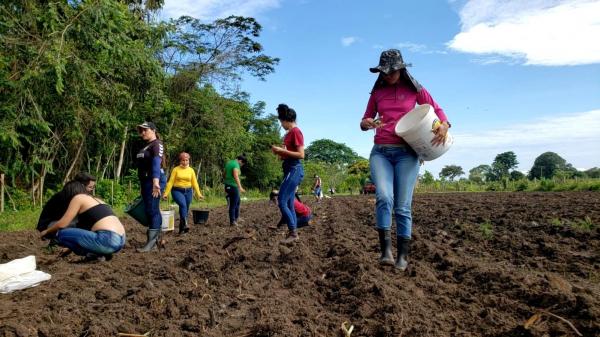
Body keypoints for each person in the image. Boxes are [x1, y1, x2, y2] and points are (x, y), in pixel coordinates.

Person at [360, 49, 450, 271]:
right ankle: (386, 251)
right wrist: (368, 123)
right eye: (384, 72)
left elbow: (436, 109)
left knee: (402, 206)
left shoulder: (413, 89)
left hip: (406, 153)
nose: (388, 75)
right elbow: (363, 121)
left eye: (392, 71)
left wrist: (445, 124)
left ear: (401, 69)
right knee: (383, 196)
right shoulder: (377, 92)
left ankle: (402, 255)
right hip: (380, 151)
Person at [39, 181, 126, 261]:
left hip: (107, 239)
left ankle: (96, 253)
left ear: (70, 192)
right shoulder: (98, 200)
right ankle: (100, 253)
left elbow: (62, 224)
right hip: (120, 241)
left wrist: (46, 232)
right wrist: (69, 249)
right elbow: (85, 233)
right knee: (74, 232)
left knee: (60, 233)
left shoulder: (78, 197)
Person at [271, 103, 305, 243]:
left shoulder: (296, 132)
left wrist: (282, 151)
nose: (281, 125)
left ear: (285, 120)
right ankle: (293, 233)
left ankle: (293, 232)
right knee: (290, 203)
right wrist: (280, 153)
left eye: (281, 122)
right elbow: (288, 154)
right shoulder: (288, 134)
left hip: (294, 169)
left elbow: (301, 154)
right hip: (289, 168)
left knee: (282, 201)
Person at [36, 172, 97, 237]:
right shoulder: (71, 195)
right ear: (81, 185)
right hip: (48, 226)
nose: (91, 190)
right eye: (90, 187)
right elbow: (65, 221)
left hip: (57, 223)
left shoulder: (72, 194)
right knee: (82, 224)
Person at [136, 121, 165, 252]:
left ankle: (152, 244)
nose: (142, 133)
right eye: (140, 131)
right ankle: (158, 240)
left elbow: (156, 164)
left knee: (152, 210)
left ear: (153, 130)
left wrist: (156, 183)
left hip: (154, 181)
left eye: (145, 130)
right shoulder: (146, 147)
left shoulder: (157, 144)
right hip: (145, 181)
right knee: (150, 209)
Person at [163, 152, 204, 234]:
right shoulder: (176, 169)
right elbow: (170, 182)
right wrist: (166, 193)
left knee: (185, 209)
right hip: (177, 190)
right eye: (183, 160)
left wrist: (198, 194)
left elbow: (195, 183)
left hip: (188, 191)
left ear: (188, 160)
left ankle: (182, 229)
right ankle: (185, 224)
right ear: (180, 161)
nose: (185, 162)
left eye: (186, 160)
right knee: (183, 205)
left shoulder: (191, 170)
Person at [224, 154, 247, 226]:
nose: (241, 166)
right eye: (242, 164)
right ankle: (232, 221)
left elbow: (224, 174)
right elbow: (236, 176)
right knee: (233, 204)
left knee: (238, 201)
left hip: (227, 185)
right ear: (240, 161)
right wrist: (240, 187)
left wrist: (226, 182)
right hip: (233, 186)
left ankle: (236, 217)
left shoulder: (229, 163)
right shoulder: (236, 165)